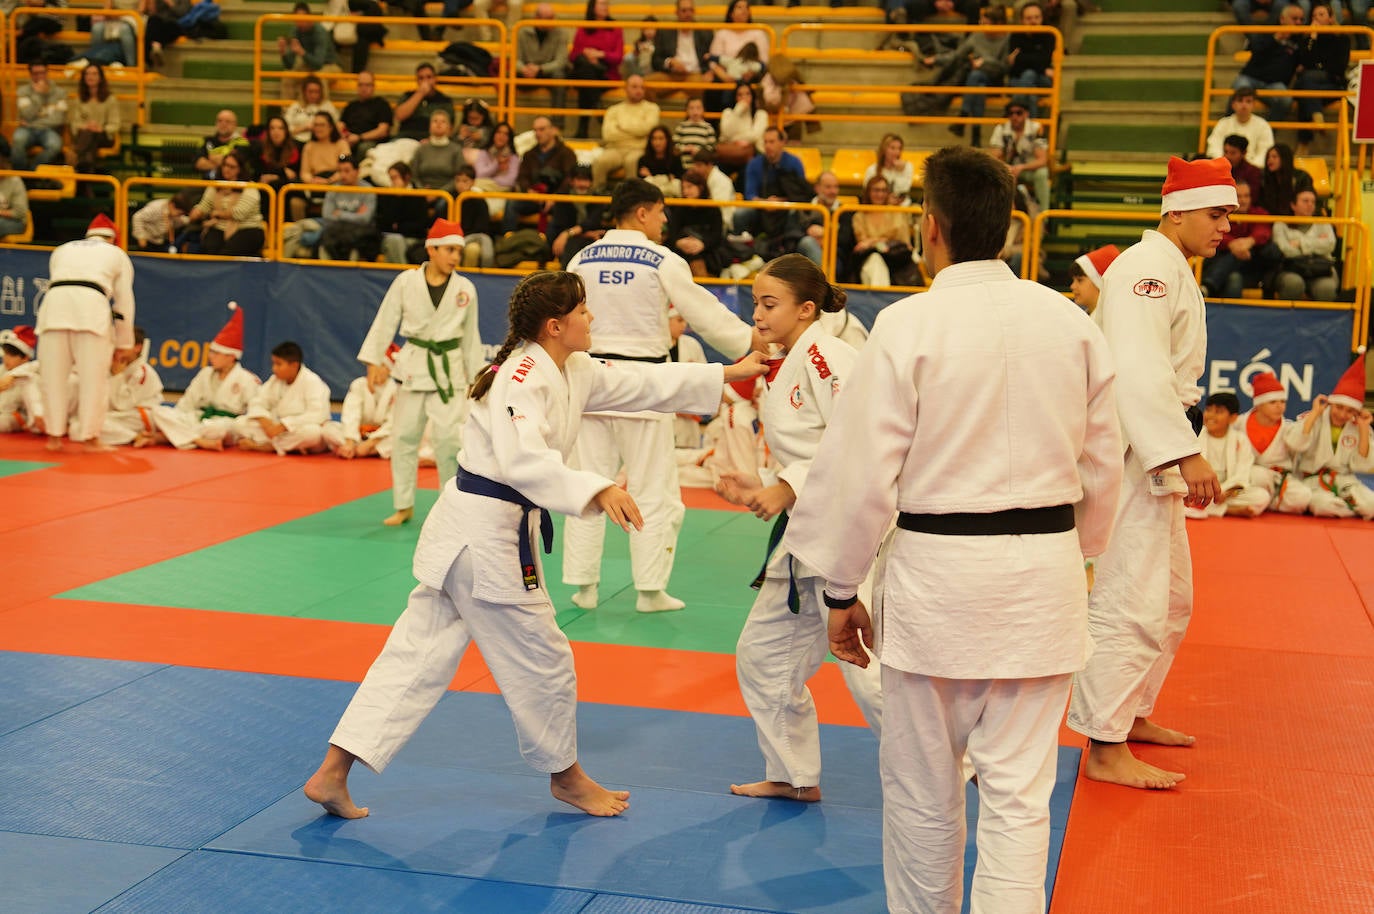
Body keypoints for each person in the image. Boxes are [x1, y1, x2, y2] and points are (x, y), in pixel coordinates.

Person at [782, 145, 1123, 914]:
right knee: (1020, 798)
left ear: (929, 227)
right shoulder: (1072, 324)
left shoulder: (907, 326)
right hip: (1044, 577)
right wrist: (1079, 554)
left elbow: (861, 473)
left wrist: (842, 590)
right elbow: (1107, 465)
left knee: (922, 794)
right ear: (1009, 228)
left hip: (937, 585)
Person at [303, 270, 767, 821]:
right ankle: (567, 779)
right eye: (584, 311)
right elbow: (525, 461)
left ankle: (333, 773)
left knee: (415, 656)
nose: (593, 318)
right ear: (556, 324)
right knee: (544, 660)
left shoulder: (568, 366)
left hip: (468, 533)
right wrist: (598, 487)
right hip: (487, 538)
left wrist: (726, 374)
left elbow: (640, 383)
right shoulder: (522, 378)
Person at [1066, 156, 1234, 789]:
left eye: (1228, 215)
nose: (1225, 227)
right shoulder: (1146, 271)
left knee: (1172, 598)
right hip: (1134, 449)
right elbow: (1137, 370)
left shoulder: (1169, 269)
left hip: (1150, 445)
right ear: (1177, 211)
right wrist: (1182, 451)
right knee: (1130, 596)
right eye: (1216, 214)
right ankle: (1104, 745)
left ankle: (1130, 713)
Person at [713, 253, 884, 804]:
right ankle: (792, 774)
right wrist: (760, 480)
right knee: (763, 656)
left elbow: (857, 440)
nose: (757, 315)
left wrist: (787, 484)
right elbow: (808, 448)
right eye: (754, 303)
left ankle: (962, 765)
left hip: (849, 529)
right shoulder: (784, 362)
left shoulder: (830, 354)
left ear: (807, 309)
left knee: (868, 665)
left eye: (769, 304)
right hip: (803, 531)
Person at [562, 179, 762, 614]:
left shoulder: (581, 257)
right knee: (653, 488)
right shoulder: (661, 258)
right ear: (641, 213)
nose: (665, 220)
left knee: (587, 483)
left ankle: (583, 585)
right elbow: (702, 311)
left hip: (591, 379)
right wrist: (749, 339)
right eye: (661, 211)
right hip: (643, 384)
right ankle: (650, 590)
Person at [357, 218, 485, 526]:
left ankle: (451, 507)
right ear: (432, 249)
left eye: (459, 250)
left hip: (449, 371)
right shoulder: (406, 282)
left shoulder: (465, 288)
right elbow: (385, 320)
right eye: (450, 250)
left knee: (447, 443)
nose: (456, 256)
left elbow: (470, 337)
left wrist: (476, 377)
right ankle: (404, 504)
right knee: (403, 437)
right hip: (414, 366)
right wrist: (374, 361)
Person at [36, 214, 135, 453]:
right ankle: (90, 437)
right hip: (91, 307)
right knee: (94, 378)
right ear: (113, 239)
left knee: (52, 376)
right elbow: (124, 301)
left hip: (54, 307)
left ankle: (54, 437)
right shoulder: (117, 254)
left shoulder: (61, 250)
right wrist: (124, 341)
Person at [141, 303, 261, 450]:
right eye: (211, 352)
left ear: (231, 357)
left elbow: (254, 412)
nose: (211, 357)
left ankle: (167, 437)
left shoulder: (247, 380)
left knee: (218, 430)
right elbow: (187, 403)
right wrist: (176, 418)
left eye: (216, 353)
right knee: (158, 412)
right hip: (198, 418)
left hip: (224, 424)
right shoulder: (205, 374)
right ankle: (199, 441)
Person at [1291, 350, 1374, 518]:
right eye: (1339, 407)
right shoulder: (1314, 417)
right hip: (1312, 481)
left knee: (1371, 506)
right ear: (1331, 403)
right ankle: (1350, 507)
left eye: (1350, 410)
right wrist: (1315, 414)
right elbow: (1296, 444)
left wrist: (1364, 428)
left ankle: (1350, 505)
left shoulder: (1358, 426)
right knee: (1325, 507)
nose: (1342, 414)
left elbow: (1362, 466)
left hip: (1345, 482)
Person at [233, 340, 331, 454]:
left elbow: (318, 414)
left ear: (294, 365)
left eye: (279, 364)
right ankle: (288, 446)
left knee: (313, 433)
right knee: (239, 423)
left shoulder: (312, 382)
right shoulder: (274, 380)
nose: (274, 368)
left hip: (299, 428)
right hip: (276, 429)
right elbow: (257, 402)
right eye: (273, 363)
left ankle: (266, 446)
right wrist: (265, 421)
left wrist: (285, 425)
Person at [1186, 391, 1269, 518]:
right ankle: (1229, 510)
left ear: (1233, 418)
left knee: (1262, 496)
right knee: (1179, 493)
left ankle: (1207, 508)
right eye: (1208, 410)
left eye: (1218, 412)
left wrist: (1223, 492)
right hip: (1199, 489)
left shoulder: (1240, 440)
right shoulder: (1195, 436)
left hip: (1227, 492)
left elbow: (1242, 474)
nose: (1211, 416)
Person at [1240, 371, 1313, 515]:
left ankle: (1267, 502)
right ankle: (1267, 500)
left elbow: (1300, 444)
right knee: (1258, 475)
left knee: (1303, 497)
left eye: (1283, 402)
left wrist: (1314, 415)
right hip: (1250, 477)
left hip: (1279, 479)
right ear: (1259, 404)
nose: (1280, 406)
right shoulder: (1239, 423)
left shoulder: (1288, 427)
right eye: (1273, 402)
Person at [1200, 180, 1278, 299]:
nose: (1243, 200)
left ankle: (1207, 286)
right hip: (1223, 266)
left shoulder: (1258, 213)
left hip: (1252, 268)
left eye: (1246, 196)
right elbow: (1213, 232)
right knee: (1234, 277)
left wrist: (1249, 241)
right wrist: (1231, 244)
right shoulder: (1220, 214)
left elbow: (1264, 231)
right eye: (1239, 196)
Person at [323, 343, 399, 459]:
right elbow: (351, 414)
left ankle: (364, 450)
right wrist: (350, 441)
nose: (377, 370)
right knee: (328, 429)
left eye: (382, 366)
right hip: (358, 435)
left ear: (389, 370)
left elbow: (393, 422)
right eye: (374, 366)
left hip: (381, 438)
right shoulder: (359, 384)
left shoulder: (396, 390)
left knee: (401, 438)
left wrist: (371, 443)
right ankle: (353, 448)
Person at [504, 115, 577, 232]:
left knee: (564, 210)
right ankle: (508, 238)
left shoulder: (567, 153)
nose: (538, 133)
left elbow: (570, 179)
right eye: (535, 130)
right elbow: (522, 177)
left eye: (542, 129)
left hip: (557, 200)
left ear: (553, 130)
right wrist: (529, 191)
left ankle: (549, 245)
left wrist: (555, 197)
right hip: (534, 198)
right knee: (511, 204)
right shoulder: (529, 154)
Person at [1231, 3, 1302, 124]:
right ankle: (1229, 129)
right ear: (1282, 19)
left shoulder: (1300, 40)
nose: (1299, 23)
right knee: (1239, 89)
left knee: (1285, 101)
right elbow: (1256, 50)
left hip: (1275, 84)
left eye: (1301, 19)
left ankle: (1267, 133)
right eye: (1295, 19)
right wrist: (1275, 39)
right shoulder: (1267, 31)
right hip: (1251, 78)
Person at [187, 150, 266, 257]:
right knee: (210, 249)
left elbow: (239, 213)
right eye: (225, 165)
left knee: (227, 254)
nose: (226, 169)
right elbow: (205, 205)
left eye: (231, 167)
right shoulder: (215, 186)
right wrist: (197, 212)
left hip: (247, 228)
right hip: (219, 227)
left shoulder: (250, 187)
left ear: (240, 169)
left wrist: (216, 214)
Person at [590, 75, 661, 190]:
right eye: (634, 87)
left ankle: (631, 198)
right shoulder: (613, 110)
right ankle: (597, 195)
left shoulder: (652, 108)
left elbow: (647, 129)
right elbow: (608, 135)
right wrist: (637, 133)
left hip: (639, 149)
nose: (639, 90)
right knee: (600, 161)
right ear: (626, 88)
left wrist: (621, 126)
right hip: (615, 149)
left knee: (632, 161)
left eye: (641, 87)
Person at [98, 328, 164, 447]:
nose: (117, 348)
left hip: (139, 416)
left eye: (123, 343)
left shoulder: (143, 373)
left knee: (92, 424)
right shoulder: (110, 365)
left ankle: (134, 436)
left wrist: (117, 376)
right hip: (118, 416)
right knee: (82, 424)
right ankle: (132, 436)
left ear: (137, 347)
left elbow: (122, 405)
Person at [1271, 187, 1338, 301]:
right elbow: (1286, 250)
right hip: (1290, 269)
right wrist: (1316, 246)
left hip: (1320, 269)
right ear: (1293, 205)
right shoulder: (1280, 224)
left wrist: (1300, 243)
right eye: (1305, 201)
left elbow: (1330, 245)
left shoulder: (1323, 223)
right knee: (1293, 284)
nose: (1310, 205)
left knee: (1327, 288)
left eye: (1313, 201)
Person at [568, 0, 622, 138]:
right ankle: (599, 113)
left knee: (585, 79)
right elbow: (573, 55)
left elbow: (618, 57)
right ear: (593, 7)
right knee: (586, 70)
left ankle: (583, 128)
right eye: (602, 4)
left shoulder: (615, 28)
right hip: (587, 72)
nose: (606, 7)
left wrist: (600, 54)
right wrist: (586, 54)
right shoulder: (583, 27)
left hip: (606, 72)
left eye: (607, 4)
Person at [989, 100, 1050, 213]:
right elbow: (994, 156)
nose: (1014, 116)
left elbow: (1042, 160)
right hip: (1007, 169)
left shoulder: (1036, 128)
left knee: (1042, 173)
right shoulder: (1001, 129)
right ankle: (999, 215)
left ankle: (1043, 218)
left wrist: (1021, 167)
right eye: (1011, 113)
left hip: (1028, 169)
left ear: (1026, 114)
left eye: (1018, 113)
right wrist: (1006, 167)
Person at [516, 3, 572, 122]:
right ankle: (505, 121)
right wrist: (523, 69)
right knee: (506, 77)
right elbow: (516, 60)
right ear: (537, 18)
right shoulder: (522, 31)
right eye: (548, 18)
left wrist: (540, 69)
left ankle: (557, 125)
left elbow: (560, 61)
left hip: (548, 72)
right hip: (527, 72)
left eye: (552, 17)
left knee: (559, 77)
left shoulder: (562, 33)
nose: (551, 21)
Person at [318, 155, 379, 261]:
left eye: (347, 171)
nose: (343, 175)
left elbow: (365, 219)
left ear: (357, 171)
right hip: (336, 230)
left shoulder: (368, 190)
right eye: (340, 171)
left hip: (358, 233)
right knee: (325, 237)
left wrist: (340, 214)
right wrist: (356, 216)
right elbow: (327, 216)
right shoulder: (333, 189)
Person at [1006, 1, 1056, 119]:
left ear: (1042, 18)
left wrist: (1021, 59)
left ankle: (1012, 111)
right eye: (1029, 18)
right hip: (1018, 79)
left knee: (1029, 73)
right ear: (1022, 20)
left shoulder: (1049, 35)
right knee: (1031, 94)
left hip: (1042, 80)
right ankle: (1033, 134)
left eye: (1037, 17)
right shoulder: (1015, 36)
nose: (1033, 21)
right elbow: (1014, 66)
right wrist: (1041, 68)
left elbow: (1044, 60)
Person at [13, 63, 68, 171]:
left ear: (47, 73)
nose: (39, 77)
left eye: (42, 73)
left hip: (49, 130)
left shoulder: (60, 93)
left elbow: (59, 119)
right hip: (27, 129)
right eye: (35, 73)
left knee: (54, 145)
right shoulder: (23, 91)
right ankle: (19, 175)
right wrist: (38, 95)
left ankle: (31, 174)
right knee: (17, 140)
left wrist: (33, 121)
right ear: (30, 75)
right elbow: (26, 114)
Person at [68, 63, 119, 173]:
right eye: (87, 74)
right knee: (88, 148)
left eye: (94, 74)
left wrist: (101, 128)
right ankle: (85, 177)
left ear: (100, 78)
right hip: (86, 136)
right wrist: (86, 126)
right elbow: (74, 124)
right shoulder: (79, 100)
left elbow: (115, 124)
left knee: (90, 134)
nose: (90, 77)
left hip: (103, 136)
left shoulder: (110, 100)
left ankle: (75, 153)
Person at [1205, 89, 1275, 167]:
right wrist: (1226, 164)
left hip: (1252, 171)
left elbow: (1265, 153)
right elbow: (1213, 149)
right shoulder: (1223, 124)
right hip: (1225, 168)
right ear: (1233, 105)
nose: (1244, 105)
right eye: (1240, 101)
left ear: (1254, 105)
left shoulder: (1263, 125)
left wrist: (1249, 167)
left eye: (1248, 101)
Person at [650, 0, 713, 86]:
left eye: (691, 10)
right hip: (670, 75)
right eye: (684, 10)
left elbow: (712, 57)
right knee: (645, 84)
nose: (688, 14)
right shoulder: (665, 32)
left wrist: (710, 72)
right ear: (676, 12)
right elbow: (655, 61)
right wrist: (669, 62)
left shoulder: (705, 32)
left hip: (696, 74)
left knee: (700, 84)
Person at [377, 162, 429, 265]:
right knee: (394, 241)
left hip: (413, 238)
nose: (392, 182)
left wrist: (399, 227)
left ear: (406, 177)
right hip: (391, 237)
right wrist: (396, 198)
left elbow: (421, 225)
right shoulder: (387, 195)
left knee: (395, 244)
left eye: (395, 178)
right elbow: (384, 222)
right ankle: (405, 273)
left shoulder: (419, 195)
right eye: (391, 178)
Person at [393, 63, 454, 142]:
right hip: (406, 139)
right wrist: (420, 93)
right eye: (421, 78)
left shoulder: (444, 100)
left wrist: (431, 140)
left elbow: (449, 128)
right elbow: (399, 116)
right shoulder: (407, 96)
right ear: (417, 81)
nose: (425, 81)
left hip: (433, 141)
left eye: (429, 77)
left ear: (435, 79)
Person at [338, 71, 393, 158]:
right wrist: (345, 136)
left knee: (364, 148)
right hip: (350, 139)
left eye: (367, 85)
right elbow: (340, 125)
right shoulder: (351, 106)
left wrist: (359, 137)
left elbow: (383, 131)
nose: (364, 88)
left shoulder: (382, 105)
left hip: (371, 142)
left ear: (373, 87)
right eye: (360, 85)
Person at [0, 326, 44, 435]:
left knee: (4, 421)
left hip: (18, 415)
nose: (6, 358)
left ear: (25, 357)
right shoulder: (2, 369)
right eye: (5, 354)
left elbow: (9, 406)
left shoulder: (32, 374)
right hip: (5, 412)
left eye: (11, 355)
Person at [278, 2, 340, 72]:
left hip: (329, 65)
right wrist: (283, 52)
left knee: (317, 80)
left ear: (309, 17)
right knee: (288, 78)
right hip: (308, 64)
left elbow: (318, 64)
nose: (300, 23)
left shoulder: (320, 33)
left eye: (302, 19)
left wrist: (302, 52)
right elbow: (289, 66)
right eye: (297, 20)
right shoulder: (296, 31)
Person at [1256, 142, 1313, 217]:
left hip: (1296, 218)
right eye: (1268, 157)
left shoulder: (1302, 177)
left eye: (1274, 157)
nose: (1270, 160)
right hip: (1271, 219)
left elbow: (1307, 200)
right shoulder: (1264, 179)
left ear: (1284, 158)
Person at [284, 75, 342, 145]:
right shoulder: (295, 106)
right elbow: (285, 129)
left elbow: (335, 127)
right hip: (296, 140)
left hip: (321, 142)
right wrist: (304, 128)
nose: (313, 95)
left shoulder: (327, 106)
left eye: (316, 92)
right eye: (310, 91)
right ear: (304, 92)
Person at [862, 133, 915, 205]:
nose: (897, 152)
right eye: (892, 148)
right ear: (884, 150)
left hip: (901, 207)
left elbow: (903, 191)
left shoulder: (907, 167)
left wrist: (901, 172)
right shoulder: (872, 170)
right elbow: (867, 194)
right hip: (879, 207)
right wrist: (886, 201)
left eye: (899, 149)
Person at [1069, 244, 1119, 318]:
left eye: (1080, 280)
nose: (1072, 286)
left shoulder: (1111, 321)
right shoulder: (1082, 318)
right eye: (1073, 280)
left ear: (1099, 283)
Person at [672, 97, 716, 169]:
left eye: (698, 108)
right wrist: (684, 148)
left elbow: (711, 149)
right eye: (691, 108)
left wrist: (699, 151)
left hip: (702, 167)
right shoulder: (681, 127)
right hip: (683, 166)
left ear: (703, 110)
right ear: (686, 110)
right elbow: (674, 147)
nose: (695, 111)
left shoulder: (708, 128)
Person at [1219, 134, 1263, 200]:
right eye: (1225, 152)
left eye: (1233, 153)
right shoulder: (1219, 170)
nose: (1227, 156)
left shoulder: (1253, 172)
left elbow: (1252, 198)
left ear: (1244, 153)